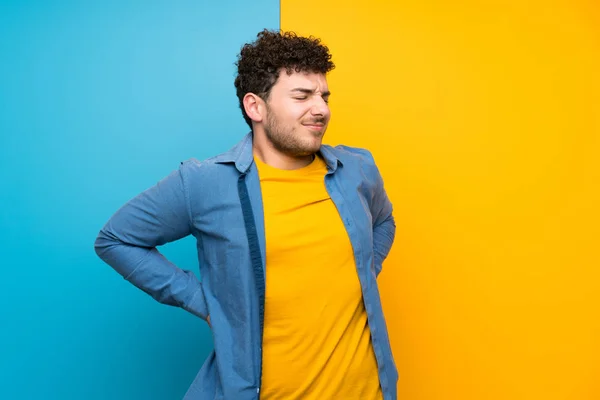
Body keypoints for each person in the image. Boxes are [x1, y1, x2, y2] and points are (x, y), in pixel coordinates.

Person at [95, 29, 398, 400]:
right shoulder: (205, 183)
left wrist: (364, 268)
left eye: (323, 96)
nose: (321, 109)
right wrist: (204, 300)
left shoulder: (356, 169)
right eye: (302, 96)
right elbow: (115, 238)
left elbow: (384, 221)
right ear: (255, 107)